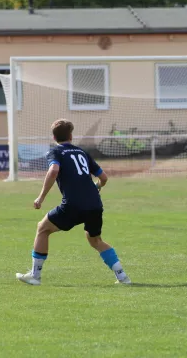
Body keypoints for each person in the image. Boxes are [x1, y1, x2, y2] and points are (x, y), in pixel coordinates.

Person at [16, 119, 131, 286]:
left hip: (73, 205)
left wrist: (41, 197)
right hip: (95, 204)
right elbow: (104, 178)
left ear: (54, 137)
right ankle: (123, 277)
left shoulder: (55, 152)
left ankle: (35, 275)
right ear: (71, 136)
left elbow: (54, 170)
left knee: (42, 229)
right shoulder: (82, 152)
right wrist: (97, 186)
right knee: (95, 240)